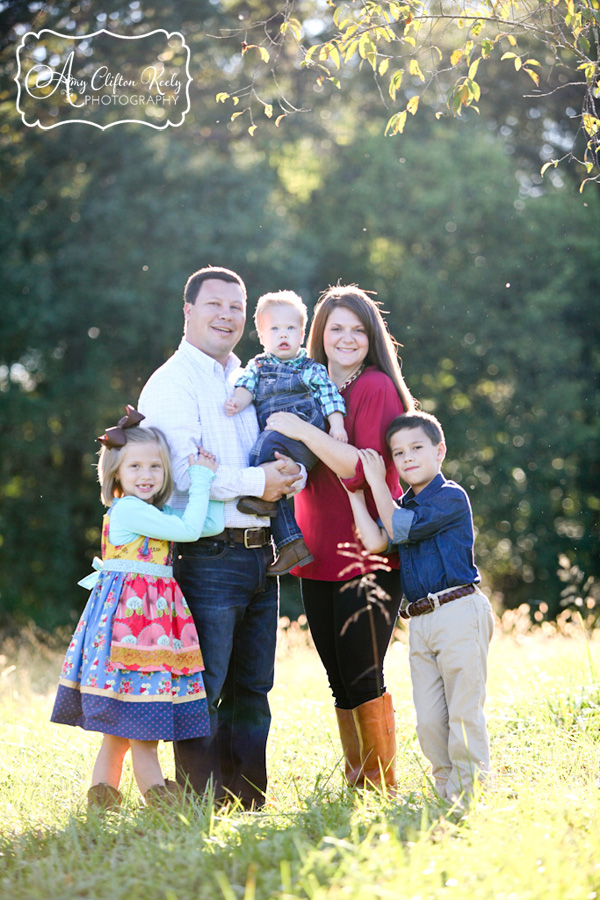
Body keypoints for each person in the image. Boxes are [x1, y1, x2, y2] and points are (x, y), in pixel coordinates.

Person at [138, 266, 304, 810]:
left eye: (237, 306)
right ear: (187, 311)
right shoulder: (172, 383)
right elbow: (183, 475)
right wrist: (261, 481)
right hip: (208, 555)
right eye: (215, 304)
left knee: (253, 688)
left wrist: (290, 474)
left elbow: (271, 451)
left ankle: (248, 803)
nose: (227, 315)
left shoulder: (248, 377)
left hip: (262, 553)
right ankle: (202, 803)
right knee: (204, 686)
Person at [265, 285, 414, 791]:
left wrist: (305, 434)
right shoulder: (305, 383)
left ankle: (379, 785)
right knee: (335, 672)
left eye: (357, 329)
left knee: (362, 671)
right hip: (315, 548)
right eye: (336, 328)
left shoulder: (375, 387)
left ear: (371, 338)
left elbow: (358, 466)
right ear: (319, 335)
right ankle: (358, 779)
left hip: (366, 547)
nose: (346, 337)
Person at [51, 407, 224, 811]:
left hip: (147, 627)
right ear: (115, 473)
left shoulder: (154, 514)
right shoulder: (130, 509)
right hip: (132, 630)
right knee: (144, 729)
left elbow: (206, 525)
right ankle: (163, 808)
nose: (146, 475)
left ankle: (102, 805)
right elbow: (190, 530)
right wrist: (199, 480)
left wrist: (213, 489)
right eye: (135, 466)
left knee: (118, 733)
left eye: (155, 467)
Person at [345, 411, 495, 802]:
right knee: (429, 719)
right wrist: (355, 493)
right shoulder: (402, 505)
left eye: (416, 448)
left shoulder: (450, 497)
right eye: (398, 453)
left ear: (439, 451)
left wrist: (377, 481)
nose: (407, 458)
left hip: (459, 610)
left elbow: (395, 528)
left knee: (463, 710)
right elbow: (378, 541)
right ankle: (445, 788)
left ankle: (470, 792)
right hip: (421, 620)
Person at [225, 290, 347, 575]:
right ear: (262, 336)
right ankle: (290, 543)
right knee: (270, 475)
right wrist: (237, 402)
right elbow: (245, 388)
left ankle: (271, 514)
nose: (283, 334)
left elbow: (330, 397)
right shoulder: (257, 366)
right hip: (277, 438)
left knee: (259, 452)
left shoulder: (310, 369)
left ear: (302, 333)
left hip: (304, 433)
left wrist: (338, 425)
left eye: (290, 328)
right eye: (275, 329)